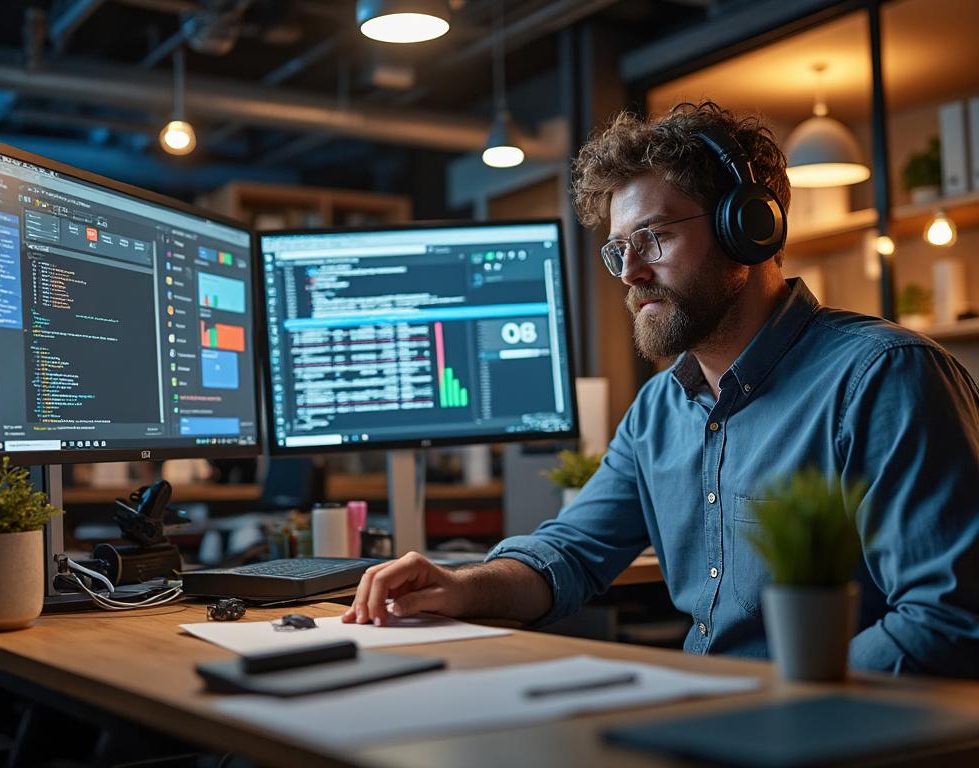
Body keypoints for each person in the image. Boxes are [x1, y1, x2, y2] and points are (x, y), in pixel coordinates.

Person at [342, 101, 979, 677]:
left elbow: (947, 621)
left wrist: (765, 708)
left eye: (655, 237)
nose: (632, 273)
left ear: (748, 230)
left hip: (843, 733)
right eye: (619, 250)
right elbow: (569, 553)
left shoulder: (884, 378)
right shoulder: (660, 408)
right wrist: (460, 585)